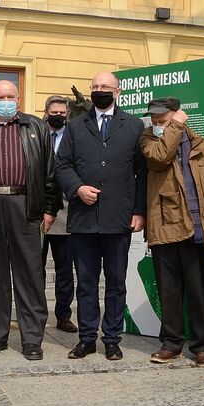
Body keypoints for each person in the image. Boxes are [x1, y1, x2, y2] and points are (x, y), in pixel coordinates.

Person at [0, 80, 60, 361]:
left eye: (10, 96)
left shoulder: (35, 127)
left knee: (30, 274)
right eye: (0, 97)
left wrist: (50, 209)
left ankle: (31, 339)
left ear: (18, 99)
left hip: (25, 205)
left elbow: (49, 172)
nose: (6, 100)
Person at [55, 71, 146, 361]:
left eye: (105, 87)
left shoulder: (133, 125)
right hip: (83, 217)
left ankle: (112, 338)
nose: (99, 90)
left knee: (116, 282)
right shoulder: (75, 126)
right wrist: (77, 188)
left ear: (117, 92)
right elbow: (62, 165)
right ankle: (86, 338)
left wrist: (139, 211)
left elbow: (143, 172)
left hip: (118, 218)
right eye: (94, 86)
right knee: (86, 282)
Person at [139, 98, 204, 367]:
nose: (156, 124)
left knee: (199, 291)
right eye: (154, 120)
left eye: (162, 119)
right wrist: (173, 128)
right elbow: (159, 157)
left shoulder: (202, 146)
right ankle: (172, 343)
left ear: (177, 114)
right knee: (169, 290)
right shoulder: (148, 141)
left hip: (198, 230)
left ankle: (202, 345)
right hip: (164, 227)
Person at [42, 95, 78, 333]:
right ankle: (37, 313)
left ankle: (63, 314)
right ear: (46, 112)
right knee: (35, 266)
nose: (58, 116)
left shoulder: (73, 135)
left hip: (66, 210)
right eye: (54, 112)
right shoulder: (36, 131)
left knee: (65, 268)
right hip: (39, 209)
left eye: (62, 113)